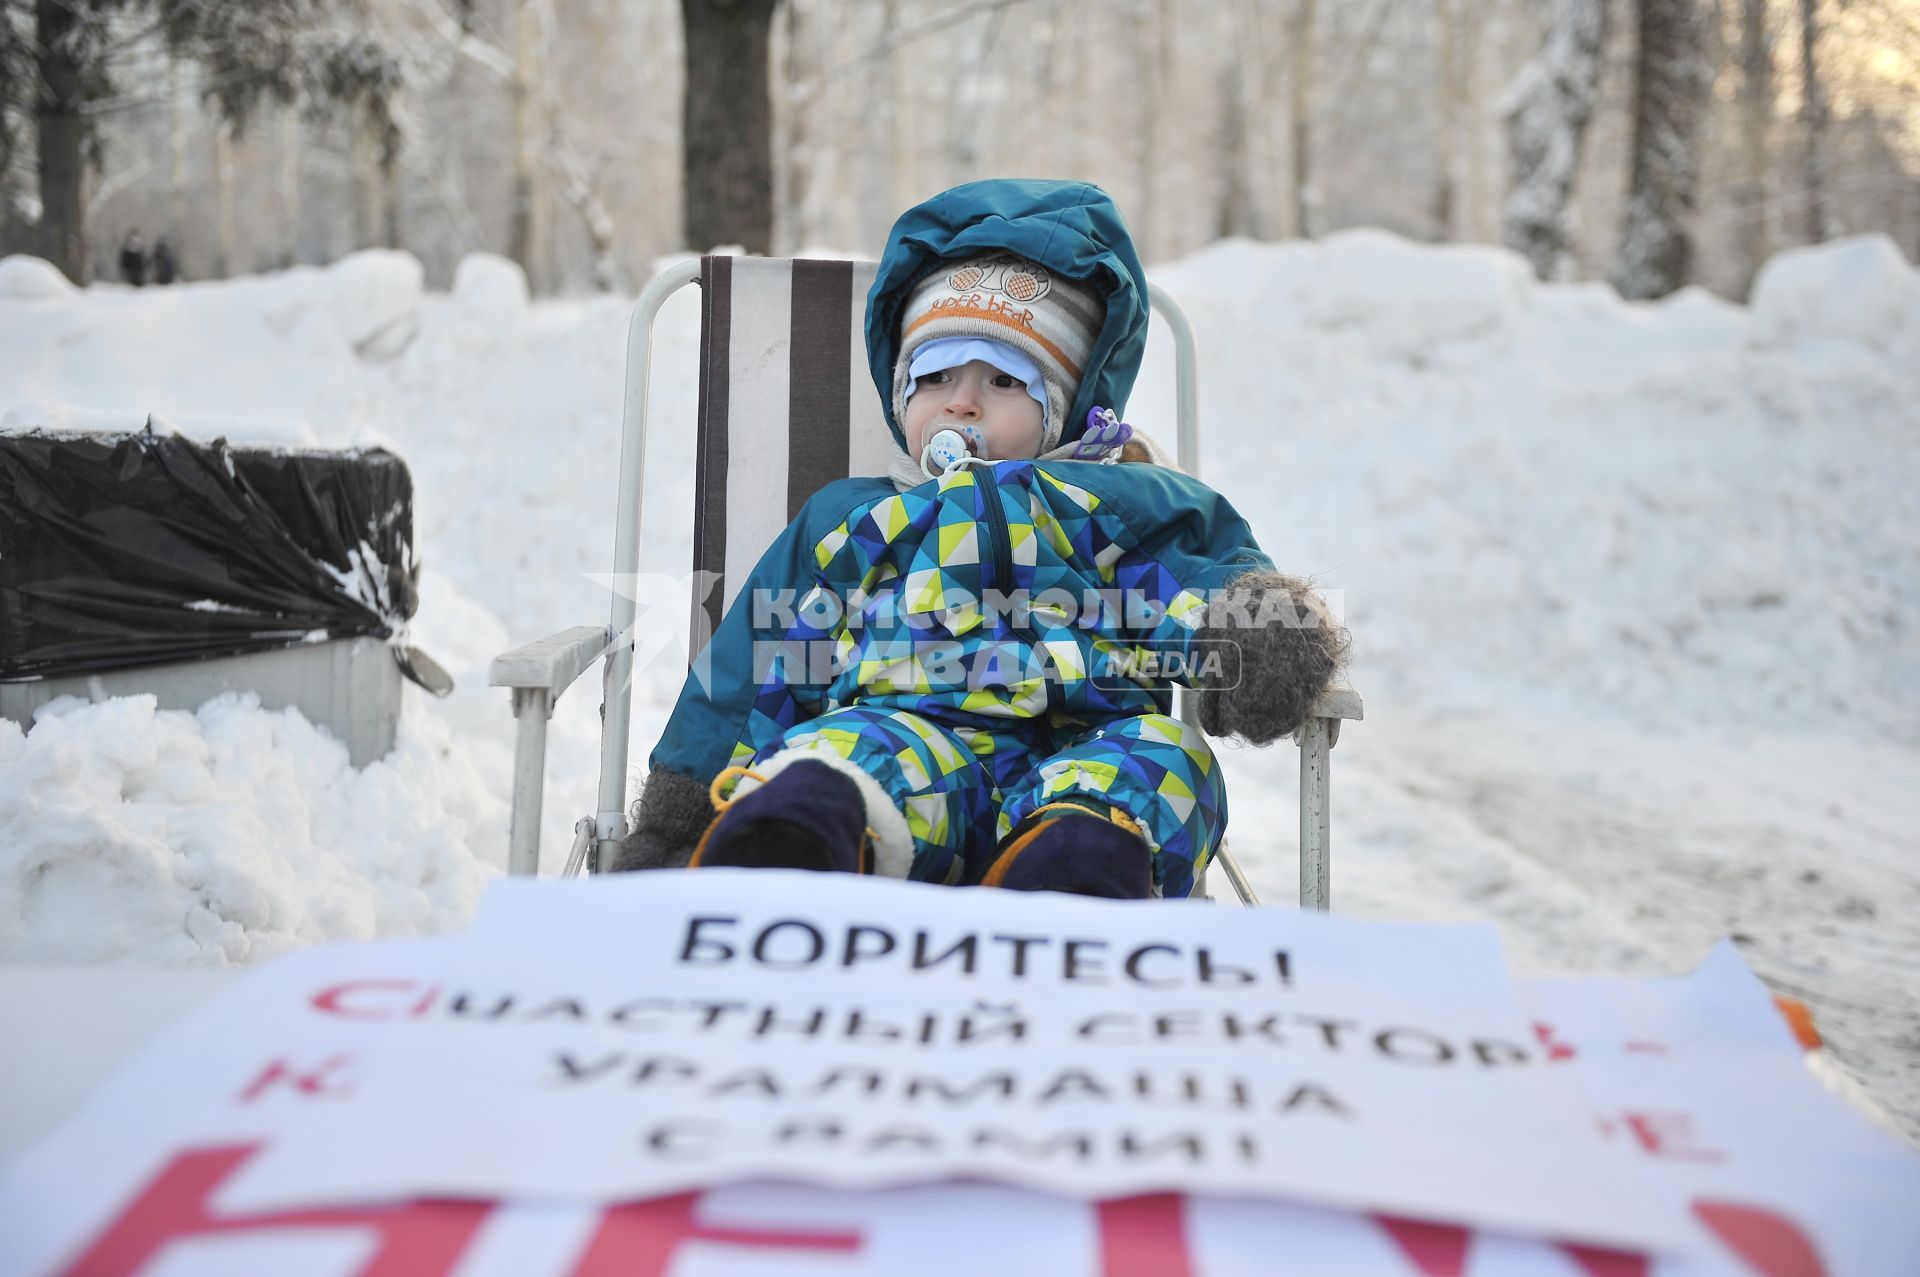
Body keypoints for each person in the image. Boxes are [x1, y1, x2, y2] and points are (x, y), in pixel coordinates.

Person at [618, 179, 1345, 899]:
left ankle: (1074, 872)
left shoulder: (1121, 504)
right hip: (907, 738)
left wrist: (1249, 636)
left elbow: (1200, 579)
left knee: (1167, 762)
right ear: (902, 393)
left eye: (1004, 380)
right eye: (934, 376)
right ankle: (795, 845)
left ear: (1063, 410)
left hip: (1083, 750)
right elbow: (757, 658)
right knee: (834, 760)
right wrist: (682, 806)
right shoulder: (852, 516)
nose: (961, 400)